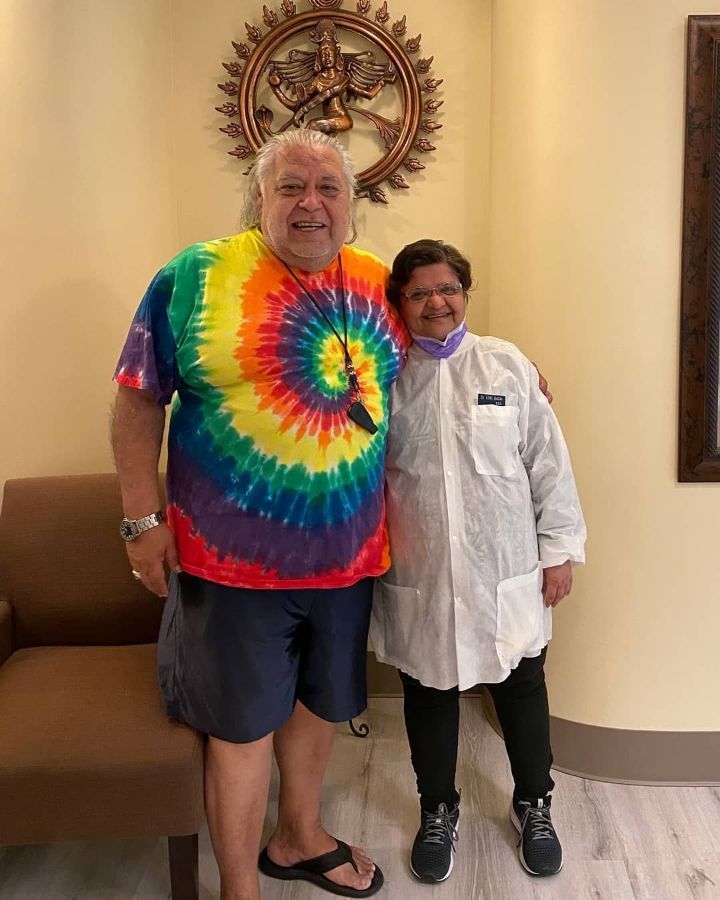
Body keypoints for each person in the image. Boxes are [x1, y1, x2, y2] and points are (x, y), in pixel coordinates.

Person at [111, 130, 408, 900]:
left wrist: (515, 370)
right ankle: (239, 889)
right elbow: (138, 400)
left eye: (328, 188)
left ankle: (298, 835)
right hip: (230, 565)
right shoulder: (195, 276)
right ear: (260, 199)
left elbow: (440, 357)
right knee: (240, 730)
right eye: (291, 187)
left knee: (318, 708)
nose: (311, 203)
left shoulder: (380, 281)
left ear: (352, 203)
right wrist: (143, 523)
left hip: (349, 556)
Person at [370, 239, 586, 883]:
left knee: (521, 688)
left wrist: (559, 552)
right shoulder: (386, 376)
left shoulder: (506, 366)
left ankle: (534, 802)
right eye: (419, 292)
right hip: (420, 573)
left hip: (506, 570)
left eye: (448, 288)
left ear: (465, 293)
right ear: (400, 304)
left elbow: (549, 465)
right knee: (428, 691)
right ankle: (437, 808)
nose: (437, 301)